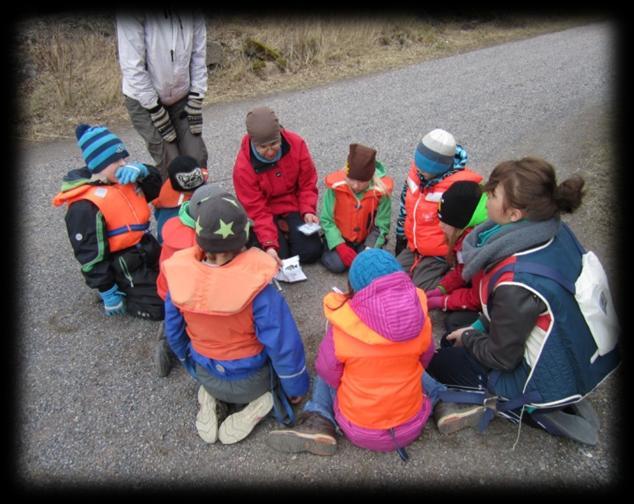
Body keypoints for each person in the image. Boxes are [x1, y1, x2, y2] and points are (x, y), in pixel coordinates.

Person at [424, 157, 620, 445]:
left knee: (440, 360)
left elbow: (501, 357)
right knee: (459, 333)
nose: (486, 198)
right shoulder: (553, 231)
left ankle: (529, 409)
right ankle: (557, 387)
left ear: (514, 214)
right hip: (579, 348)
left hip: (539, 374)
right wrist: (477, 325)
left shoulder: (515, 280)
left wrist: (468, 336)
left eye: (492, 194)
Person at [161, 191, 309, 445]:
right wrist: (296, 388)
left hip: (205, 373)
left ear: (199, 239)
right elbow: (284, 345)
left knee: (210, 364)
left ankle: (211, 396)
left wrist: (190, 363)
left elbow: (173, 332)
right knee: (276, 375)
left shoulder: (179, 282)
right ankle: (266, 401)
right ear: (243, 239)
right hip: (251, 381)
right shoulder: (259, 291)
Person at [266, 248, 434, 459]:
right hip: (412, 424)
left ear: (353, 289)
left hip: (360, 428)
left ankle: (318, 418)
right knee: (412, 365)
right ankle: (443, 399)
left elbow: (328, 374)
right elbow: (425, 359)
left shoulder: (343, 327)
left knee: (324, 372)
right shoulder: (422, 320)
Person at [52, 124, 164, 320]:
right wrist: (107, 290)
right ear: (98, 165)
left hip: (146, 245)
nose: (123, 164)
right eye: (116, 160)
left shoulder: (125, 179)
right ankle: (123, 293)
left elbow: (156, 189)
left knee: (181, 281)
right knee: (162, 307)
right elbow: (89, 254)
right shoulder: (85, 206)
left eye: (124, 157)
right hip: (122, 261)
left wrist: (144, 171)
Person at [116, 10, 208, 181]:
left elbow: (199, 56)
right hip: (143, 99)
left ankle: (200, 204)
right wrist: (155, 108)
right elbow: (132, 67)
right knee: (170, 163)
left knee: (197, 158)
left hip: (182, 94)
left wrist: (197, 96)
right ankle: (173, 206)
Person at [232, 106, 322, 266]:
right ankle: (270, 235)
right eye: (263, 147)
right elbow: (257, 209)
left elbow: (307, 183)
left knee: (311, 253)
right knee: (278, 257)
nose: (270, 151)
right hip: (266, 210)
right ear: (253, 141)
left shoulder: (297, 144)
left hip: (294, 204)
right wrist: (269, 244)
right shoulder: (243, 168)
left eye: (274, 143)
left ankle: (286, 231)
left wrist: (308, 209)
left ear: (280, 133)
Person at [395, 128, 482, 291]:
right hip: (414, 246)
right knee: (390, 277)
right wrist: (401, 235)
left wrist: (456, 258)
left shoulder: (458, 188)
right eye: (418, 166)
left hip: (439, 253)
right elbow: (404, 204)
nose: (419, 171)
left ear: (441, 168)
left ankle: (456, 283)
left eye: (425, 169)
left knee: (420, 289)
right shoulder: (417, 173)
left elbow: (463, 228)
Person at [153, 183, 223, 378]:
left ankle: (169, 332)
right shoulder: (193, 244)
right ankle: (171, 344)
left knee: (175, 319)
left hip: (167, 290)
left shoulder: (178, 225)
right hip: (183, 294)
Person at [319, 143, 393, 273]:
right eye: (351, 179)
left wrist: (369, 249)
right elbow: (327, 220)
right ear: (345, 173)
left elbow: (381, 225)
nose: (356, 185)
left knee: (370, 265)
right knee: (338, 266)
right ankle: (328, 247)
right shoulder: (335, 189)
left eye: (362, 181)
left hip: (365, 239)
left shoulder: (381, 193)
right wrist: (340, 246)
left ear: (370, 178)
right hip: (340, 237)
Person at [425, 180, 488, 330]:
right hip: (479, 285)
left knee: (454, 322)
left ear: (460, 224)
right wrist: (442, 288)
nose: (440, 226)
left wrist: (443, 301)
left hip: (492, 301)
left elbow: (477, 297)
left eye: (445, 222)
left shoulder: (478, 250)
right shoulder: (467, 236)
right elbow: (463, 269)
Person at [152, 154, 208, 244]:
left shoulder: (170, 187)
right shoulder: (171, 215)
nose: (197, 193)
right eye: (192, 192)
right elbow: (165, 239)